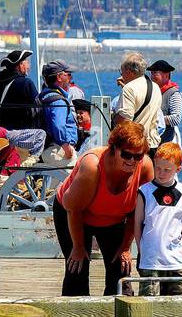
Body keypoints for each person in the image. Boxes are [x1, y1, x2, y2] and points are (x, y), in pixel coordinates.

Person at [54, 120, 154, 296]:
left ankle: (120, 316)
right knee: (77, 268)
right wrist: (77, 246)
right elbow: (74, 209)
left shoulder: (145, 167)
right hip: (74, 214)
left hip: (114, 218)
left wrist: (125, 247)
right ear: (113, 149)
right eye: (126, 155)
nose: (132, 161)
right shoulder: (92, 166)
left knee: (121, 271)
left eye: (137, 156)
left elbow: (137, 213)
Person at [134, 141, 182, 295]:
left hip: (175, 257)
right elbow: (137, 223)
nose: (161, 173)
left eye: (167, 170)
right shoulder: (144, 191)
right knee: (149, 299)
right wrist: (141, 249)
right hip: (150, 258)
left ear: (178, 169)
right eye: (158, 168)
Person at [0, 49, 44, 160]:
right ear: (19, 65)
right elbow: (38, 111)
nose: (28, 65)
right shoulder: (25, 84)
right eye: (26, 62)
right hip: (18, 139)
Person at [113, 52, 164, 151]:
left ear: (128, 72)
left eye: (121, 71)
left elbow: (124, 121)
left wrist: (114, 117)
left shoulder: (129, 89)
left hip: (134, 145)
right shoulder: (155, 86)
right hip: (152, 144)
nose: (121, 75)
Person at [39, 61, 79, 171]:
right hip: (58, 149)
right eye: (68, 74)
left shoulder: (44, 95)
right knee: (78, 176)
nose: (71, 78)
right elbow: (58, 125)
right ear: (59, 77)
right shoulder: (58, 101)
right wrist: (66, 146)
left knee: (56, 187)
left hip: (48, 148)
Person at [148, 60, 182, 147]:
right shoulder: (151, 92)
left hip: (166, 145)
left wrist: (154, 119)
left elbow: (176, 119)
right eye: (151, 73)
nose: (152, 76)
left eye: (155, 73)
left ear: (166, 75)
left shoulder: (174, 94)